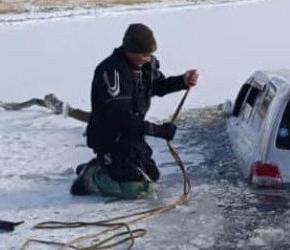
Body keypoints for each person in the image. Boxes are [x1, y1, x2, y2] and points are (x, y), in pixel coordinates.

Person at [71, 23, 199, 198]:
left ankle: (104, 165)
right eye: (143, 55)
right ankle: (92, 178)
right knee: (136, 189)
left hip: (133, 136)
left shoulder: (146, 65)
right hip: (110, 138)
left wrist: (182, 82)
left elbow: (156, 86)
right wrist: (157, 130)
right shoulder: (111, 72)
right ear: (129, 50)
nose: (147, 59)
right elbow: (121, 118)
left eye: (150, 55)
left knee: (151, 176)